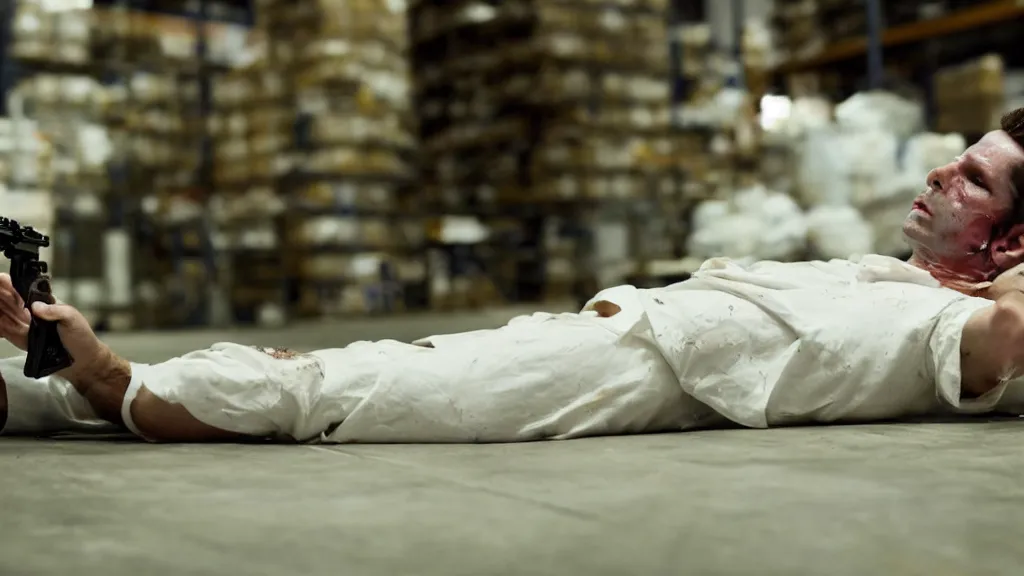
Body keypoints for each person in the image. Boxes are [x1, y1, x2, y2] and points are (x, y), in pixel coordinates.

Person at [7, 111, 1024, 444]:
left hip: (632, 374)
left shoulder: (942, 327)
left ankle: (110, 384)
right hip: (598, 333)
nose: (940, 171)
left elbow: (1007, 342)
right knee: (333, 363)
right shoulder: (875, 275)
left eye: (973, 179)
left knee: (328, 388)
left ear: (1009, 245)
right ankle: (37, 390)